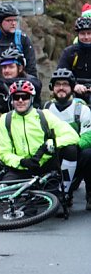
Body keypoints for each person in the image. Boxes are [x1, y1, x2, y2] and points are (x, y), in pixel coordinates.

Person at [0, 80, 79, 201]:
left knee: (71, 150)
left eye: (24, 97)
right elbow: (4, 152)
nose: (20, 100)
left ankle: (64, 192)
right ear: (11, 100)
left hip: (45, 164)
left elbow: (72, 136)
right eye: (16, 97)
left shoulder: (44, 115)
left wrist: (49, 144)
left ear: (31, 99)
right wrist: (21, 161)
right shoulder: (5, 119)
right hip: (20, 168)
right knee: (4, 198)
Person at [43, 69, 91, 209]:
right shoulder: (46, 108)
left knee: (89, 153)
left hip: (77, 156)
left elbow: (88, 136)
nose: (61, 88)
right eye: (57, 84)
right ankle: (61, 194)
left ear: (72, 87)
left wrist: (69, 146)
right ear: (52, 87)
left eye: (65, 84)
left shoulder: (82, 109)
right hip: (54, 156)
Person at [0, 4, 38, 79]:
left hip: (19, 82)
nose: (13, 23)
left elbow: (31, 67)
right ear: (0, 22)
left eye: (15, 20)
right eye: (9, 20)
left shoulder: (23, 39)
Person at [56, 17, 91, 103]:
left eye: (89, 33)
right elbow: (60, 75)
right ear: (78, 34)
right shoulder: (69, 52)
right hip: (73, 93)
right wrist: (74, 85)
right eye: (82, 34)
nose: (86, 37)